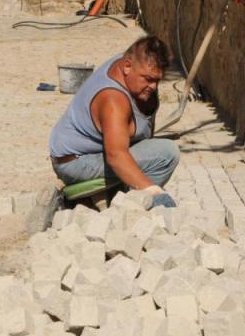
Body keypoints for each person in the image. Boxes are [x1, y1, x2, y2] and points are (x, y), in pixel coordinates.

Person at [48, 35, 180, 208]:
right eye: (148, 79)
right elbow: (116, 156)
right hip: (75, 163)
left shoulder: (130, 65)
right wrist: (153, 193)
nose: (154, 86)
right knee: (165, 154)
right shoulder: (113, 100)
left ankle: (110, 195)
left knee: (153, 149)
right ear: (127, 66)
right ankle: (124, 205)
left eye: (158, 80)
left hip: (86, 154)